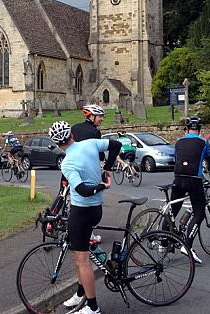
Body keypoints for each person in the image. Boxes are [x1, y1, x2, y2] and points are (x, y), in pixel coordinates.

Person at [50, 120, 121, 314]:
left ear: (57, 144)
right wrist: (107, 169)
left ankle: (93, 307)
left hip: (82, 211)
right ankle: (80, 294)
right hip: (95, 209)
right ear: (72, 135)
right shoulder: (90, 143)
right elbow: (116, 145)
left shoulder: (67, 163)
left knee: (82, 260)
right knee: (79, 255)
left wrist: (102, 185)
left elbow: (82, 190)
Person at [170, 116, 210, 264]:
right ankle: (187, 246)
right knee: (199, 212)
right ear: (200, 129)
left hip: (177, 179)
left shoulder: (178, 142)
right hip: (194, 180)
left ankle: (163, 242)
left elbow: (177, 160)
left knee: (173, 210)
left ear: (186, 129)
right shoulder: (204, 142)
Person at [69, 104, 105, 243]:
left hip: (71, 166)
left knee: (65, 194)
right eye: (100, 116)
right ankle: (88, 235)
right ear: (91, 117)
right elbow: (99, 154)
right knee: (88, 202)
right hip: (86, 169)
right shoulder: (95, 132)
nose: (102, 119)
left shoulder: (74, 127)